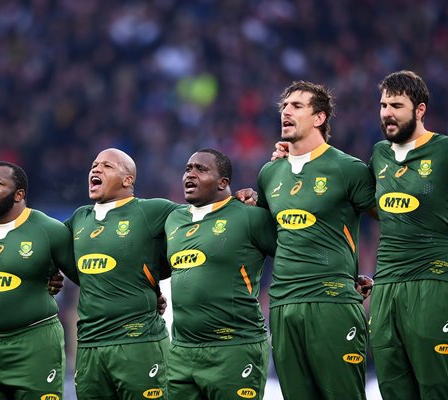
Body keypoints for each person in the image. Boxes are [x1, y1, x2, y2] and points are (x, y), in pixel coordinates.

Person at [257, 81, 376, 399]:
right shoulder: (269, 174)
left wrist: (390, 276)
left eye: (297, 106)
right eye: (284, 106)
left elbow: (394, 218)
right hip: (283, 308)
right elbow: (271, 238)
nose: (286, 111)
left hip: (332, 303)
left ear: (320, 117)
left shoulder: (349, 169)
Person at [63, 148, 180, 400]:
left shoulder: (153, 211)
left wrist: (239, 199)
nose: (96, 169)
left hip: (139, 343)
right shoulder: (78, 219)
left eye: (107, 166)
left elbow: (200, 220)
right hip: (90, 347)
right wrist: (51, 275)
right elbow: (49, 252)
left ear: (128, 180)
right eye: (94, 165)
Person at [164, 149, 276, 400]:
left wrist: (343, 277)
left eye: (201, 169)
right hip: (182, 352)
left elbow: (294, 251)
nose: (190, 174)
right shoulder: (173, 220)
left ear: (223, 182)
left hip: (234, 349)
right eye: (187, 168)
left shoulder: (250, 216)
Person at [0, 161, 75, 400]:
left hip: (35, 346)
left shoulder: (50, 230)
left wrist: (143, 294)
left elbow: (86, 277)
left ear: (19, 194)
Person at [368, 70, 448, 399]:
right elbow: (372, 205)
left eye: (397, 105)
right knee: (393, 386)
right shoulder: (379, 155)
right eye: (384, 104)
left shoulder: (444, 151)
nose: (387, 112)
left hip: (433, 281)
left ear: (420, 110)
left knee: (435, 384)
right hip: (386, 286)